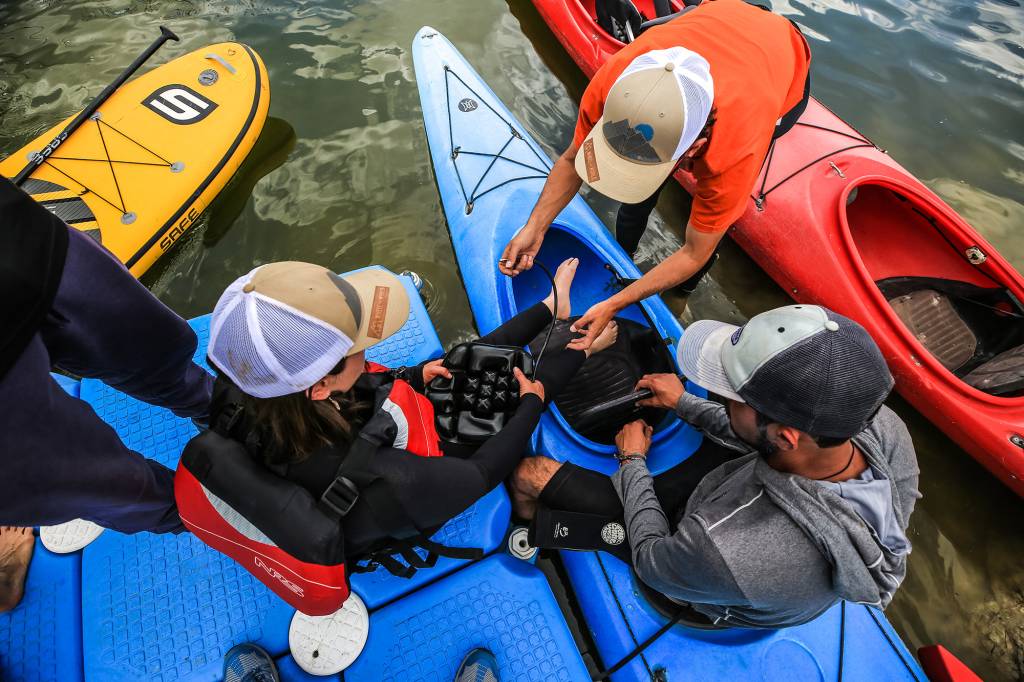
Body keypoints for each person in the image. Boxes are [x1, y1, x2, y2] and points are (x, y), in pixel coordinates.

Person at [511, 305, 920, 628]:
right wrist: (684, 403)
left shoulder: (728, 548)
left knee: (529, 475)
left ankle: (527, 535)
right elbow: (761, 438)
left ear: (786, 437)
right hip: (743, 510)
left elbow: (654, 562)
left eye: (731, 395)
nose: (721, 397)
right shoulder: (880, 426)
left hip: (696, 572)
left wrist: (632, 461)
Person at [200, 258, 617, 561]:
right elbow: (480, 474)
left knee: (461, 361)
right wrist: (531, 406)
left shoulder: (256, 382)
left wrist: (415, 376)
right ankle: (582, 350)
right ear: (321, 386)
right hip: (395, 494)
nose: (369, 351)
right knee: (511, 397)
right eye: (358, 347)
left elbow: (355, 386)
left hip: (365, 434)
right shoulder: (384, 477)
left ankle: (552, 306)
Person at [499, 0, 812, 351]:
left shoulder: (734, 150)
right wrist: (535, 226)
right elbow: (574, 159)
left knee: (713, 230)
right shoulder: (615, 80)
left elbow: (695, 251)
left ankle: (683, 292)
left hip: (780, 52)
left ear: (695, 147)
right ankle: (623, 253)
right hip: (719, 17)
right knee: (637, 201)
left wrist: (617, 303)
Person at [0, 178, 213, 612]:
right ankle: (196, 515)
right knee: (103, 485)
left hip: (22, 238)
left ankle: (222, 413)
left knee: (160, 351)